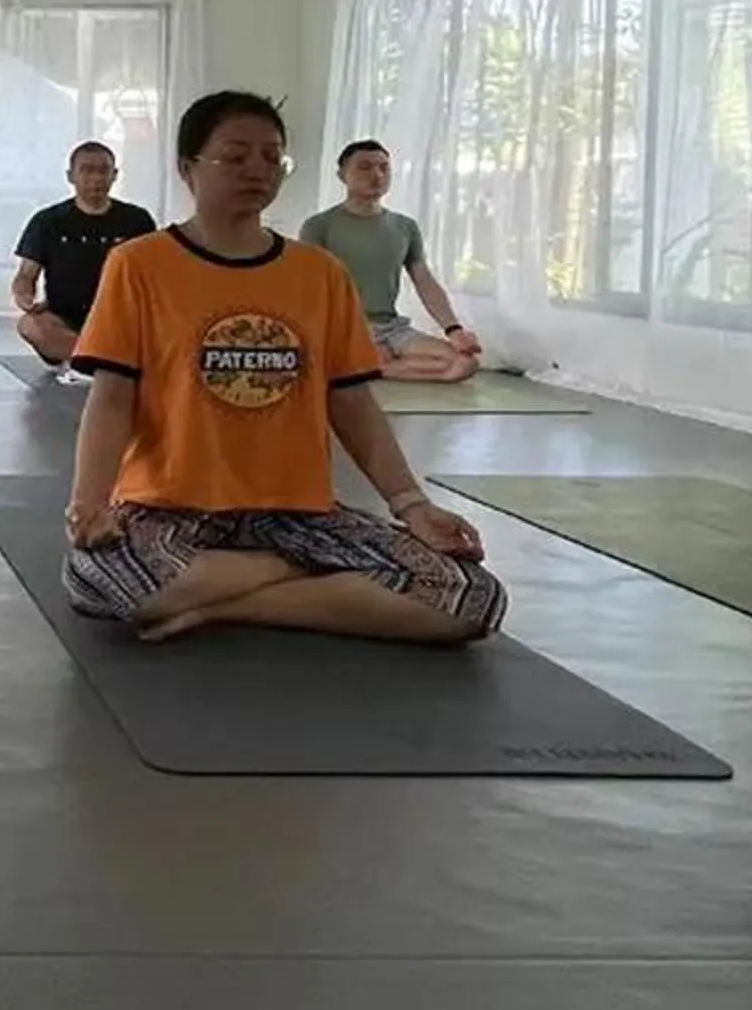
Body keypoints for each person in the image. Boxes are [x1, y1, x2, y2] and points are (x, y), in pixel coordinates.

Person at [63, 91, 507, 645]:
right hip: (169, 509)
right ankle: (300, 577)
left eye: (273, 158)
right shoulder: (139, 264)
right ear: (187, 168)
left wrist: (412, 505)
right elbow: (112, 398)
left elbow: (351, 404)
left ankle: (221, 604)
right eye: (236, 156)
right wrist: (89, 502)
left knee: (472, 598)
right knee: (96, 579)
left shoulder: (319, 273)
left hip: (295, 515)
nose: (258, 170)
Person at [296, 140, 481, 383]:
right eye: (365, 167)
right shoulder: (319, 225)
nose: (377, 175)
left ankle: (370, 367)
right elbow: (309, 290)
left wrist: (454, 330)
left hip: (392, 329)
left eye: (384, 168)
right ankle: (362, 361)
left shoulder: (405, 226)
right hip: (342, 328)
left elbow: (424, 281)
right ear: (342, 175)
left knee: (465, 363)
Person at [12, 141, 158, 381]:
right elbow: (26, 274)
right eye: (87, 170)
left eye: (103, 171)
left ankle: (90, 363)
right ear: (71, 176)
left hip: (120, 319)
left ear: (114, 176)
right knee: (29, 325)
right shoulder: (47, 221)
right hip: (66, 320)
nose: (96, 178)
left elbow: (153, 273)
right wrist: (24, 297)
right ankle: (99, 362)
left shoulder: (137, 220)